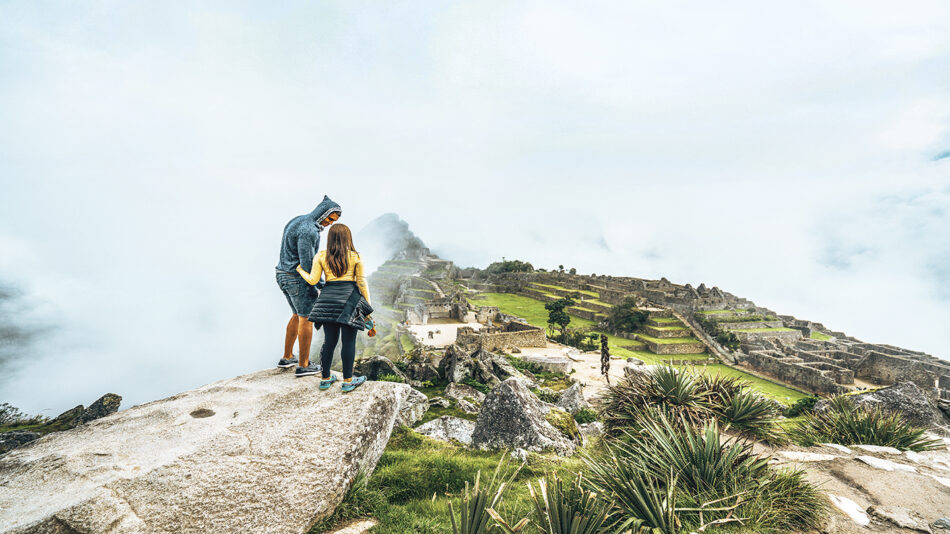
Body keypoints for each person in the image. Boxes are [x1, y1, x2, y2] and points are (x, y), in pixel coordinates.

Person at [296, 223, 373, 392]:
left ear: (330, 238)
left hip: (327, 301)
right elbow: (361, 282)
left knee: (329, 342)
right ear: (348, 238)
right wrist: (367, 306)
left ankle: (325, 379)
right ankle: (347, 381)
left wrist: (300, 270)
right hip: (349, 301)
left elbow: (313, 281)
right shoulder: (355, 257)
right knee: (348, 342)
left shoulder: (321, 256)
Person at [275, 195, 341, 377]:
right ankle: (304, 365)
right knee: (306, 319)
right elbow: (307, 265)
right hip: (297, 279)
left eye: (333, 221)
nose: (330, 224)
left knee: (296, 315)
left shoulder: (298, 220)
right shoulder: (309, 231)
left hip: (282, 274)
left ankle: (287, 357)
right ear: (323, 213)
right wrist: (322, 285)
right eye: (329, 219)